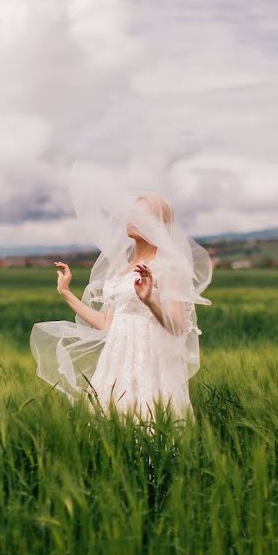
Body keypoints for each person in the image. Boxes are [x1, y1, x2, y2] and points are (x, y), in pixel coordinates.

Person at [29, 164, 213, 422]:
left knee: (149, 421)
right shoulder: (122, 268)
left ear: (160, 226)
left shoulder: (167, 267)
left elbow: (178, 327)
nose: (131, 219)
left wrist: (150, 301)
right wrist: (66, 292)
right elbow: (106, 324)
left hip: (150, 358)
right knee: (111, 423)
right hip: (116, 359)